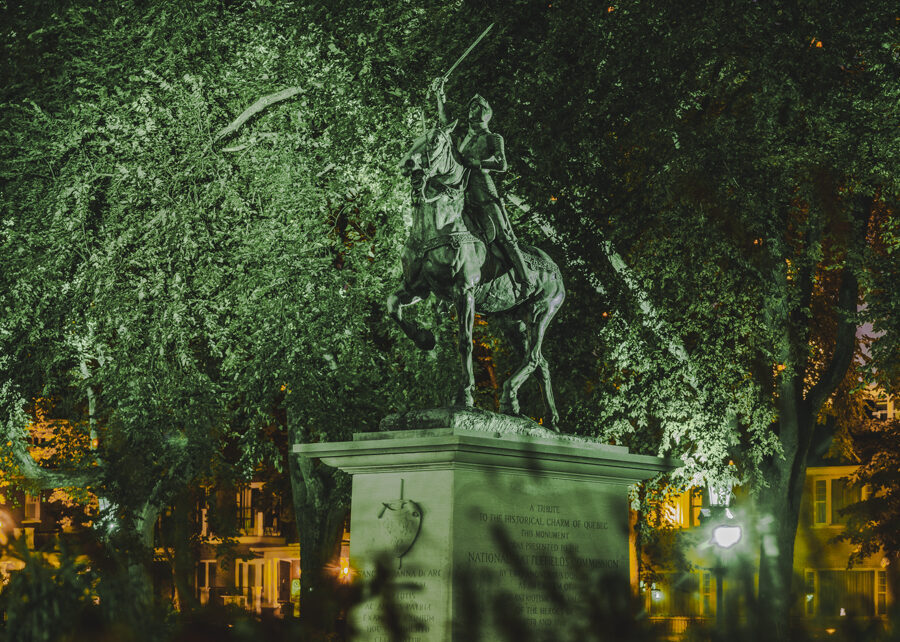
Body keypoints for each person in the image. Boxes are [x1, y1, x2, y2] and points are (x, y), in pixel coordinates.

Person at [432, 77, 531, 296]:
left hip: (483, 191)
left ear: (486, 112)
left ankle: (526, 280)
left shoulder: (492, 137)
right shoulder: (463, 138)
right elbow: (445, 121)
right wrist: (440, 97)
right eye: (471, 106)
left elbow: (502, 163)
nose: (471, 109)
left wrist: (478, 163)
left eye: (476, 106)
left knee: (505, 235)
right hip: (460, 192)